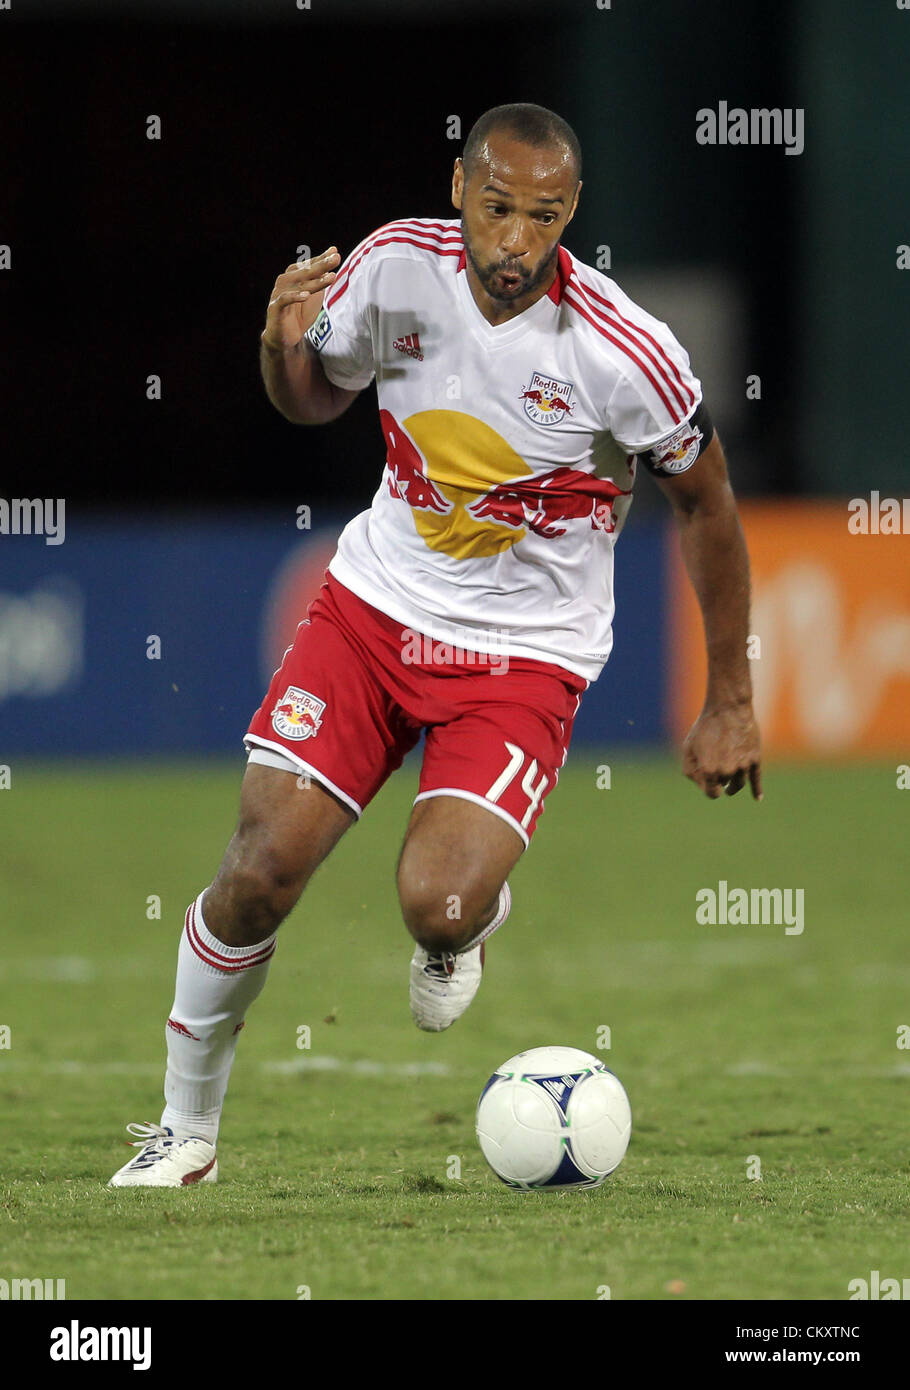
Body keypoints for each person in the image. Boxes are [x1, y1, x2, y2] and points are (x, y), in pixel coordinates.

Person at [109, 102, 761, 1188]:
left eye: (543, 218)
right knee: (260, 871)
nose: (516, 240)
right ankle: (185, 1132)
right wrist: (279, 346)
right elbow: (313, 400)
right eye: (497, 208)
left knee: (438, 903)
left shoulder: (623, 350)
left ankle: (464, 924)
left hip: (521, 660)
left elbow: (710, 505)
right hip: (371, 614)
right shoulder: (391, 268)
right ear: (459, 187)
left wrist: (730, 695)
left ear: (572, 214)